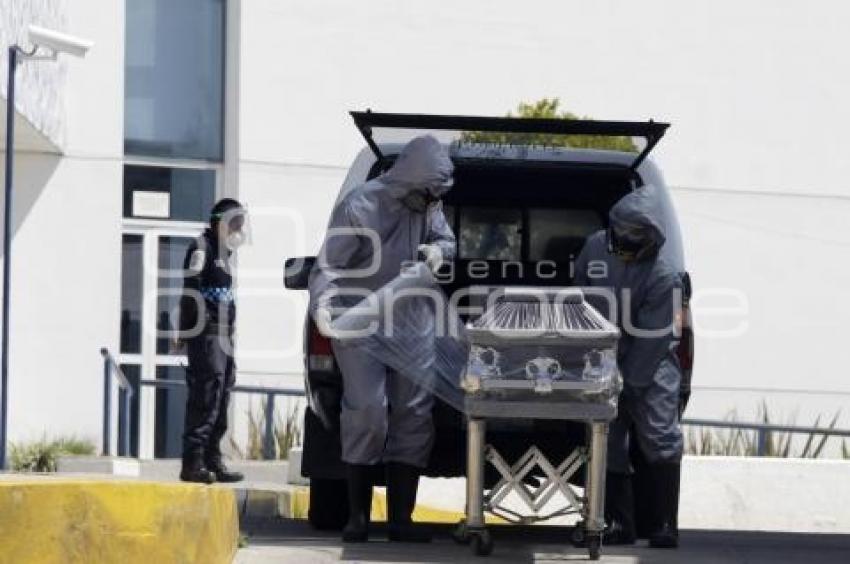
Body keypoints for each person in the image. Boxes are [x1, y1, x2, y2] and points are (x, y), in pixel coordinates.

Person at [309, 135, 456, 543]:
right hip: (362, 321)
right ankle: (357, 517)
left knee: (414, 415)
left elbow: (445, 239)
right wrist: (323, 307)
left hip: (413, 321)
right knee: (368, 412)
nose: (431, 203)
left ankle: (400, 520)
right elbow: (330, 264)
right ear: (409, 180)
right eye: (427, 195)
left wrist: (439, 253)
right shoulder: (360, 205)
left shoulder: (429, 202)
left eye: (435, 198)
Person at [574, 185, 683, 548]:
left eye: (633, 245)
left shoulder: (663, 274)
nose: (623, 249)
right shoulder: (594, 246)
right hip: (604, 353)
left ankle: (665, 523)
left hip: (652, 362)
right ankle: (619, 522)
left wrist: (629, 383)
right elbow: (579, 296)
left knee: (659, 435)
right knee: (608, 436)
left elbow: (653, 337)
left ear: (651, 242)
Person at [174, 198, 249, 484]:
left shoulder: (223, 252)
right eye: (235, 223)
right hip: (207, 335)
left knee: (223, 391)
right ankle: (192, 462)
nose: (239, 229)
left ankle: (212, 458)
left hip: (224, 336)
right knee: (206, 392)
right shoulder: (201, 248)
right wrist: (187, 330)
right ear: (221, 221)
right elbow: (190, 291)